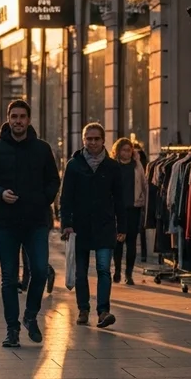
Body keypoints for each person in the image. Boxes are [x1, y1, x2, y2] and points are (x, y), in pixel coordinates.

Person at [0, 100, 60, 348]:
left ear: (29, 120)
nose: (18, 121)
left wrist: (43, 199)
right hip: (6, 222)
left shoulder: (42, 149)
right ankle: (12, 329)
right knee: (9, 278)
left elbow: (53, 181)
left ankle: (30, 315)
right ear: (8, 118)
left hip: (36, 221)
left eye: (22, 116)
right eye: (14, 116)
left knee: (40, 271)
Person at [60, 124, 120, 328]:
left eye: (96, 138)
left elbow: (120, 199)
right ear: (83, 140)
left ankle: (103, 311)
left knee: (104, 269)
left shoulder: (112, 166)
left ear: (103, 140)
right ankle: (83, 309)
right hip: (80, 226)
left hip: (104, 225)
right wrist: (66, 224)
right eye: (89, 139)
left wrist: (123, 227)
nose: (92, 142)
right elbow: (65, 197)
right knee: (81, 271)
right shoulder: (74, 165)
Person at [110, 137, 147, 286]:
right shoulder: (113, 166)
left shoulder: (137, 166)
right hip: (117, 209)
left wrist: (143, 201)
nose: (127, 152)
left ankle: (129, 274)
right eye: (124, 150)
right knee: (118, 241)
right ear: (118, 151)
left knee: (131, 241)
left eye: (129, 149)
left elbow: (144, 184)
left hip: (133, 207)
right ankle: (118, 270)